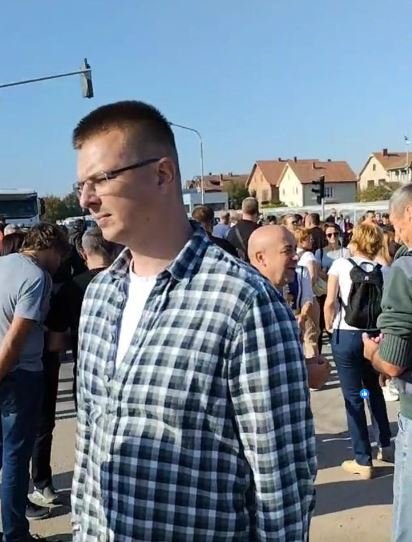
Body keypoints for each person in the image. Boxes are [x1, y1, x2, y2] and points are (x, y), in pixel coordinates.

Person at [71, 100, 316, 541]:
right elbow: (89, 442)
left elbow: (281, 483)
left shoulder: (244, 303)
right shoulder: (99, 296)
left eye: (101, 179)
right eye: (81, 185)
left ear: (162, 174)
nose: (87, 200)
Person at [0, 223, 68, 541]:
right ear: (51, 249)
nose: (60, 264)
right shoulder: (36, 277)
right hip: (19, 376)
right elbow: (15, 341)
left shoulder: (2, 264)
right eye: (60, 256)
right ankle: (15, 534)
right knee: (15, 459)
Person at [363, 185, 412, 541]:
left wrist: (372, 354)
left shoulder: (405, 269)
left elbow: (393, 363)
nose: (395, 235)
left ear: (409, 213)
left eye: (396, 225)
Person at [324, 222, 392, 479]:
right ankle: (385, 444)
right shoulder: (384, 269)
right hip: (373, 336)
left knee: (354, 396)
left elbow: (330, 302)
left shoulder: (341, 265)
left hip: (347, 335)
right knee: (372, 390)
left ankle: (363, 459)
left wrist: (329, 326)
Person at [248, 225, 330, 387]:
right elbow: (257, 372)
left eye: (294, 249)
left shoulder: (275, 295)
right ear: (261, 258)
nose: (296, 257)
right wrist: (304, 375)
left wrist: (306, 366)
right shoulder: (253, 302)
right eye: (287, 251)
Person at [47, 227, 115, 410]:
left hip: (87, 375)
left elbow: (55, 343)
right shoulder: (132, 282)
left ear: (83, 253)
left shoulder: (71, 288)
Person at [227, 197, 260, 261]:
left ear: (242, 210)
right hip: (256, 265)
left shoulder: (232, 231)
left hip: (239, 265)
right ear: (257, 211)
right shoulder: (261, 231)